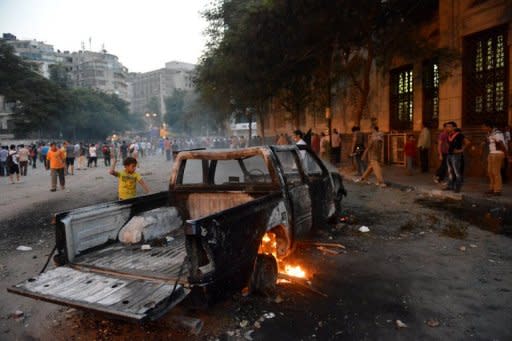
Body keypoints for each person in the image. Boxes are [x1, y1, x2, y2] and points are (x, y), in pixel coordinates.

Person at [444, 122, 470, 193]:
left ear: (454, 127)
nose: (447, 128)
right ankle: (450, 186)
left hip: (456, 155)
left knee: (457, 172)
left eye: (449, 126)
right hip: (449, 154)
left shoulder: (459, 135)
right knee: (450, 171)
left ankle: (457, 187)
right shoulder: (448, 135)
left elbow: (467, 142)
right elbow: (448, 144)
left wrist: (461, 150)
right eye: (446, 126)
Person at [483, 120, 506, 196]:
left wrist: (506, 154)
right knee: (490, 172)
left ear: (488, 126)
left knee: (496, 172)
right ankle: (492, 188)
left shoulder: (497, 133)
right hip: (492, 153)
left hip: (497, 153)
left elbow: (501, 143)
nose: (483, 128)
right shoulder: (490, 133)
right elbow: (489, 141)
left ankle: (497, 190)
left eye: (484, 127)